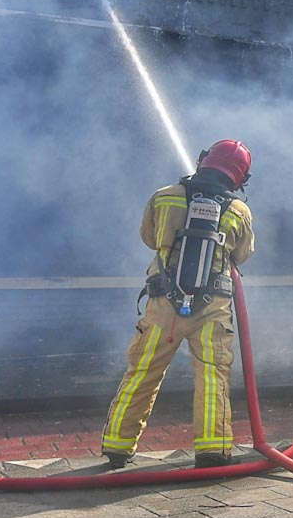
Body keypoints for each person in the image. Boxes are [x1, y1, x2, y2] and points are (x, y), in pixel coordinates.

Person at [101, 140, 256, 468]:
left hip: (164, 304)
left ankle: (117, 445)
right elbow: (242, 255)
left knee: (144, 370)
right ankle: (213, 450)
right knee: (213, 374)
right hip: (213, 307)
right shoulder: (240, 211)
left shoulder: (165, 195)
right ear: (240, 177)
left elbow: (149, 237)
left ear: (205, 161)